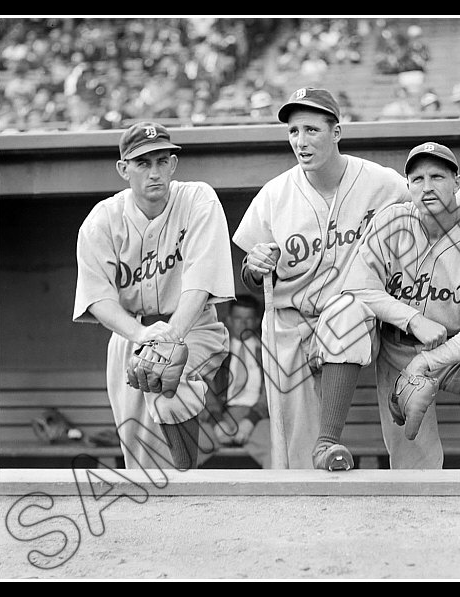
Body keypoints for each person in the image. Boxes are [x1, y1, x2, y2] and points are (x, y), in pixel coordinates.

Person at [311, 142, 460, 470]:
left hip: (455, 353)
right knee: (414, 471)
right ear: (407, 186)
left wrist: (426, 362)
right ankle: (327, 442)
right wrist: (411, 319)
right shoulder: (391, 220)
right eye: (418, 178)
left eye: (437, 176)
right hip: (396, 349)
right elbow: (357, 285)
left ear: (458, 184)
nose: (427, 186)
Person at [232, 87, 412, 469]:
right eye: (294, 131)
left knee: (349, 309)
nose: (301, 141)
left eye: (312, 130)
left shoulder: (383, 183)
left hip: (354, 318)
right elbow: (251, 275)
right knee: (293, 450)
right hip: (290, 322)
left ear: (336, 133)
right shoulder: (274, 195)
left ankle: (328, 441)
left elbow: (433, 201)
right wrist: (254, 264)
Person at [73, 121, 235, 469]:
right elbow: (98, 298)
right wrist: (142, 335)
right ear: (123, 169)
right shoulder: (102, 220)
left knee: (169, 390)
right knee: (137, 453)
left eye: (163, 161)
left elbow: (200, 284)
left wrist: (170, 336)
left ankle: (187, 482)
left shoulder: (197, 199)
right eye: (143, 163)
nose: (155, 172)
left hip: (194, 327)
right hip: (130, 334)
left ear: (173, 165)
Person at [198, 294, 271, 468]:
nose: (243, 324)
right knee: (186, 442)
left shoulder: (267, 350)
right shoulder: (217, 350)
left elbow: (271, 391)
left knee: (276, 447)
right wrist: (217, 422)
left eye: (249, 319)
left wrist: (251, 420)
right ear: (229, 320)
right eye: (238, 318)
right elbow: (204, 388)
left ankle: (274, 494)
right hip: (221, 416)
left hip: (257, 419)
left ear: (256, 321)